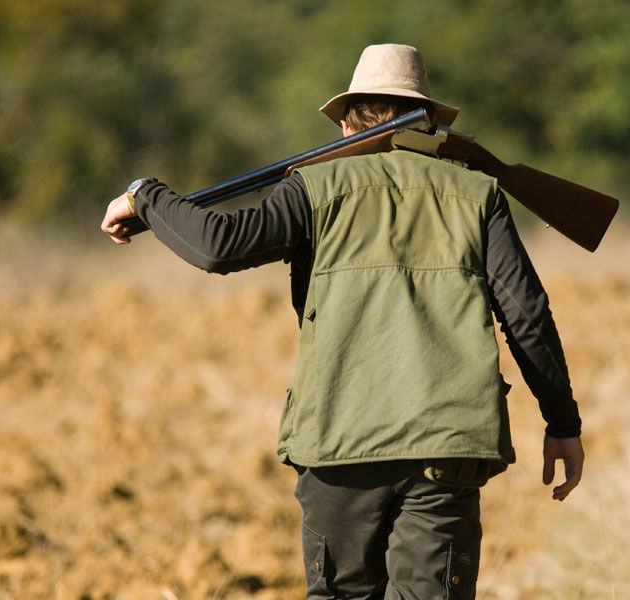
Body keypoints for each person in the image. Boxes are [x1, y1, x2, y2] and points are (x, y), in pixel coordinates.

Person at [101, 43, 584, 600]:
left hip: (339, 442)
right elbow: (527, 316)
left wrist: (145, 195)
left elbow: (217, 246)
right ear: (429, 119)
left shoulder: (313, 188)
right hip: (447, 448)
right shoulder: (479, 196)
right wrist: (562, 423)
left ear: (350, 121)